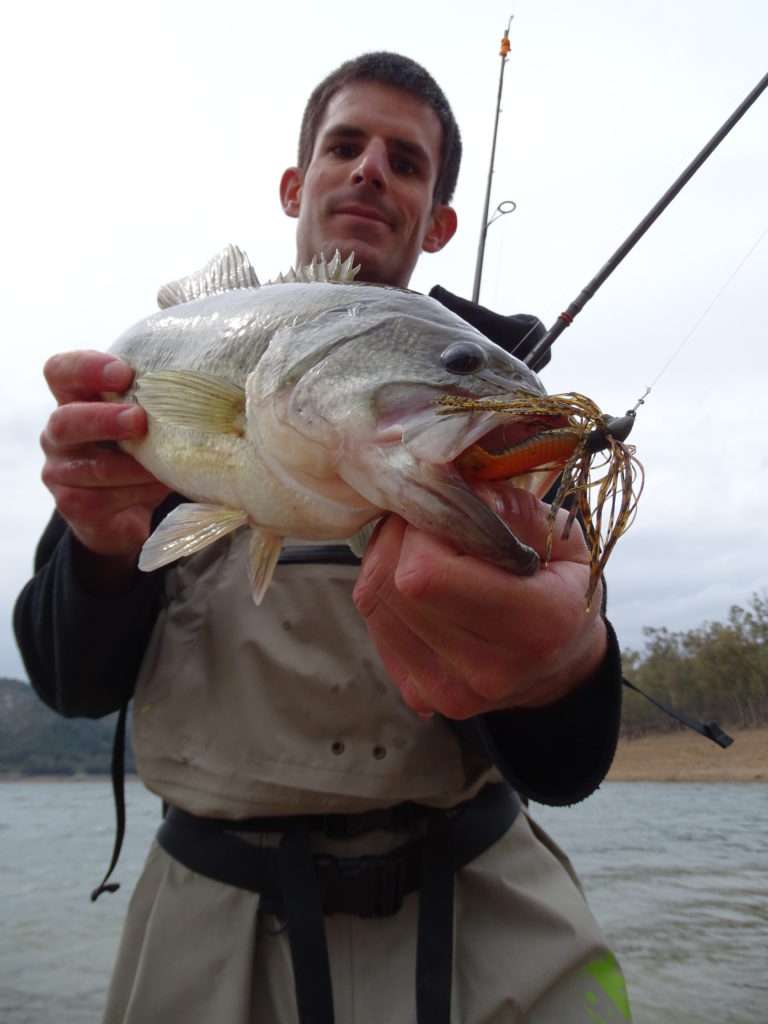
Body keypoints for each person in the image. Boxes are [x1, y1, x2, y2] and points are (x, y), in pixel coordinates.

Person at [15, 52, 632, 1024]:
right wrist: (97, 547)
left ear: (440, 223)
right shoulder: (160, 416)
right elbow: (70, 682)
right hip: (214, 928)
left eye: (407, 161)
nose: (370, 170)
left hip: (469, 909)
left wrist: (559, 667)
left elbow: (568, 766)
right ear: (296, 184)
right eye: (345, 146)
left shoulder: (497, 428)